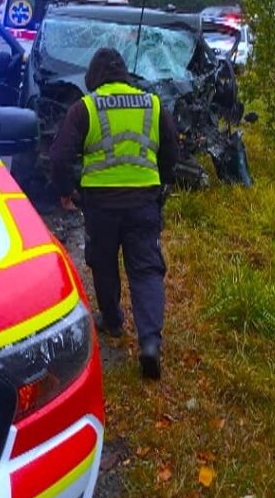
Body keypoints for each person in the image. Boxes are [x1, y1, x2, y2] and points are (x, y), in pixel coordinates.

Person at [49, 47, 180, 379]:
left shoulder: (86, 108)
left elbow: (60, 156)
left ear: (94, 77)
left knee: (103, 262)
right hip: (143, 202)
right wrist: (159, 183)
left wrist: (67, 191)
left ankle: (113, 322)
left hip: (101, 205)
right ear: (125, 74)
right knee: (147, 269)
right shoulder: (153, 105)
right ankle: (150, 343)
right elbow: (172, 150)